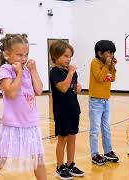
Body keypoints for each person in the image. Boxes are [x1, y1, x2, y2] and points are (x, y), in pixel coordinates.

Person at [0, 33, 46, 180]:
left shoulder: (27, 69)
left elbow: (38, 90)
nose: (24, 58)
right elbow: (12, 93)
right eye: (19, 55)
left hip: (30, 123)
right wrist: (19, 73)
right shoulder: (5, 69)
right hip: (12, 124)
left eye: (26, 54)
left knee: (38, 160)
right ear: (7, 54)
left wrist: (33, 70)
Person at [49, 40, 84, 179]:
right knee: (62, 139)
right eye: (65, 56)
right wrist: (71, 73)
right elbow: (63, 88)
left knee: (72, 138)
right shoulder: (54, 72)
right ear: (56, 56)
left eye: (70, 56)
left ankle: (70, 164)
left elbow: (72, 87)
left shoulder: (71, 72)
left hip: (74, 109)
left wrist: (78, 86)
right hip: (62, 112)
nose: (68, 59)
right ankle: (60, 166)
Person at [89, 40, 119, 166]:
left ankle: (108, 151)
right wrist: (107, 66)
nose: (111, 55)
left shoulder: (107, 63)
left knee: (106, 128)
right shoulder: (95, 62)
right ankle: (95, 154)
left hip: (106, 100)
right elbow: (100, 78)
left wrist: (112, 66)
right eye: (109, 53)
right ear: (100, 53)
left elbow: (112, 78)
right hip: (96, 101)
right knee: (95, 130)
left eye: (112, 53)